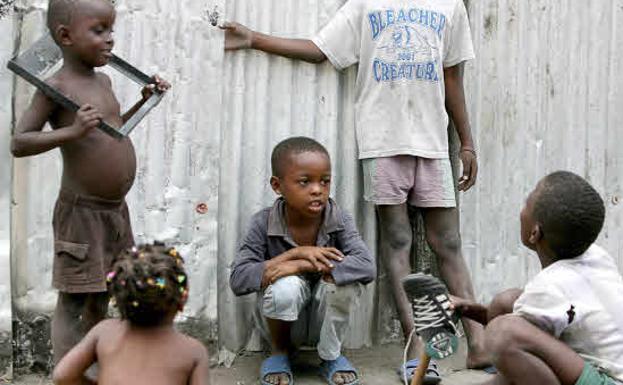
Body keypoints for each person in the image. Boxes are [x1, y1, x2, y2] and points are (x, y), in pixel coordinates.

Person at [221, 1, 488, 381]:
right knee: (397, 242)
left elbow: (452, 80)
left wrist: (467, 143)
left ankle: (479, 345)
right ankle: (414, 349)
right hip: (381, 144)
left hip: (432, 144)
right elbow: (320, 50)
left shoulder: (449, 7)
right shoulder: (366, 4)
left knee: (448, 243)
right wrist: (254, 39)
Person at [10, 0, 170, 368]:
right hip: (80, 214)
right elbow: (20, 142)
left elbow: (112, 131)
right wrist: (72, 130)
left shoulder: (106, 80)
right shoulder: (56, 86)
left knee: (105, 292)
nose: (110, 39)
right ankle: (67, 373)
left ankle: (96, 367)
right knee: (73, 299)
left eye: (111, 30)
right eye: (99, 31)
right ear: (65, 36)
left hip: (114, 212)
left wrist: (145, 101)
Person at [452, 171, 623, 385]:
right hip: (604, 371)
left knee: (503, 333)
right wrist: (469, 310)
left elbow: (514, 339)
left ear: (535, 233)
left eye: (527, 202)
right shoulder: (596, 255)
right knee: (507, 304)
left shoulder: (548, 286)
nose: (521, 209)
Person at [230, 137, 376, 385]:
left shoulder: (338, 219)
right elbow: (239, 278)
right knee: (284, 286)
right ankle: (280, 353)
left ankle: (330, 356)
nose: (317, 189)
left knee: (346, 285)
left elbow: (366, 266)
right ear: (277, 185)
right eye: (305, 182)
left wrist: (304, 264)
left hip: (323, 323)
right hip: (284, 324)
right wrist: (291, 257)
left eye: (325, 181)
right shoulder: (263, 222)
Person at [52, 243, 210, 385]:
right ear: (182, 301)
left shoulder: (104, 332)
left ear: (118, 299)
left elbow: (62, 376)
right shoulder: (192, 352)